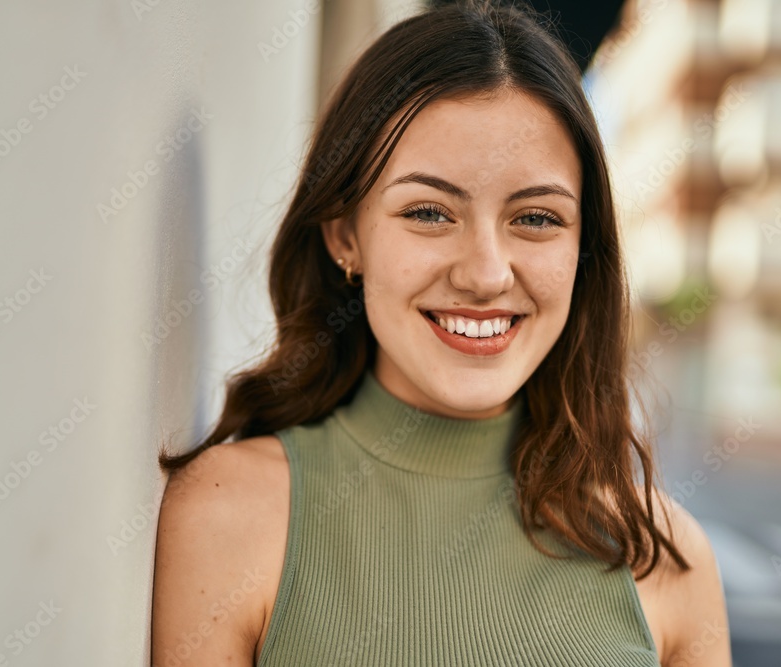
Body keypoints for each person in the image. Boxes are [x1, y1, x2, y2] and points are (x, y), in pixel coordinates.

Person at [151, 2, 731, 665]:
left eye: (536, 218)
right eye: (429, 211)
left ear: (583, 250)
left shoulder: (666, 559)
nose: (485, 273)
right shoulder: (231, 513)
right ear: (346, 233)